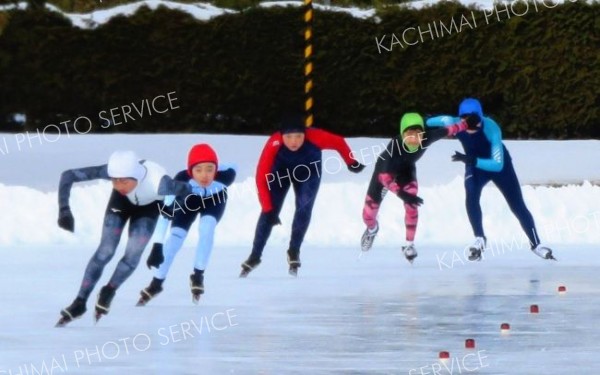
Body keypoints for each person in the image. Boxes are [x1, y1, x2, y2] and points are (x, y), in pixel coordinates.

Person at [55, 150, 202, 326]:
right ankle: (79, 302)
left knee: (132, 255)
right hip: (120, 203)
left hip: (149, 207)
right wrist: (64, 210)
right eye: (114, 180)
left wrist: (173, 209)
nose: (119, 185)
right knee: (105, 251)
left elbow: (188, 190)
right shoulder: (115, 176)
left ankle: (109, 290)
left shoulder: (161, 183)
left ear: (137, 177)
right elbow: (68, 175)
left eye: (124, 181)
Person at [426, 98, 555, 261]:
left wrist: (472, 160)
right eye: (468, 125)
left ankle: (536, 244)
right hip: (474, 164)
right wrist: (420, 123)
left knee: (517, 204)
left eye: (476, 124)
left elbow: (497, 165)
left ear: (481, 118)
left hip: (499, 166)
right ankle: (479, 238)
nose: (473, 129)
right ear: (461, 121)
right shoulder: (453, 122)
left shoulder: (492, 128)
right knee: (471, 195)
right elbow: (429, 121)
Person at [239, 113, 365, 277]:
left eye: (298, 136)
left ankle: (294, 250)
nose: (293, 141)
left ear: (305, 133)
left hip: (308, 172)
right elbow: (261, 177)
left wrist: (351, 162)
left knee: (304, 207)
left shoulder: (316, 136)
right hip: (280, 173)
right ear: (281, 135)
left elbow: (339, 142)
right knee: (269, 212)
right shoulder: (274, 142)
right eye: (289, 137)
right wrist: (267, 208)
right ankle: (255, 256)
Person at [360, 112, 467, 262]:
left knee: (412, 204)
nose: (414, 139)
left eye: (418, 134)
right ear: (402, 135)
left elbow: (450, 129)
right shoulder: (393, 150)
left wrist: (467, 123)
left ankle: (409, 245)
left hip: (406, 170)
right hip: (384, 174)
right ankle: (372, 229)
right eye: (409, 134)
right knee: (368, 215)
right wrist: (402, 194)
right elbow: (384, 179)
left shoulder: (427, 138)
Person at [137, 144, 236, 305]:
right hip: (187, 200)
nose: (205, 175)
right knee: (174, 239)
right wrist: (157, 246)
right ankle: (156, 284)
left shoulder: (226, 175)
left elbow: (232, 165)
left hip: (214, 200)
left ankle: (198, 275)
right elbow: (165, 214)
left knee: (207, 228)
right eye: (198, 170)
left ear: (216, 169)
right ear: (190, 171)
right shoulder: (180, 182)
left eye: (210, 169)